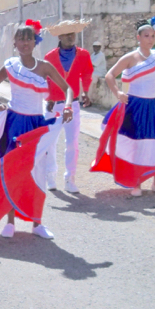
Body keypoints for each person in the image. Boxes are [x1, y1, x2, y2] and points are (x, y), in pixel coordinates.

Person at [0, 20, 73, 239]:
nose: (25, 42)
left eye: (29, 38)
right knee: (11, 170)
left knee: (37, 172)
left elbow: (68, 88)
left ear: (35, 41)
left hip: (36, 125)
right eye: (21, 38)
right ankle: (10, 223)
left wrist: (67, 106)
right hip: (14, 123)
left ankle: (37, 223)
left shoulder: (45, 66)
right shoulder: (10, 65)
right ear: (15, 42)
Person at [91, 17, 155, 196]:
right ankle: (136, 183)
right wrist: (118, 93)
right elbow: (111, 75)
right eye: (146, 36)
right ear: (138, 37)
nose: (150, 39)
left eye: (152, 36)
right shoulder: (130, 58)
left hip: (154, 105)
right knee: (137, 145)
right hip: (135, 106)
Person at [43, 20, 94, 193]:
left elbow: (87, 74)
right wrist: (47, 97)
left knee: (72, 142)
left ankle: (70, 178)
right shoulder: (49, 56)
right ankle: (50, 175)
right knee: (50, 142)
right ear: (59, 36)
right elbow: (46, 79)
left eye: (73, 33)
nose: (71, 37)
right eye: (66, 34)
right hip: (53, 104)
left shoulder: (83, 55)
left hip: (73, 104)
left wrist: (86, 91)